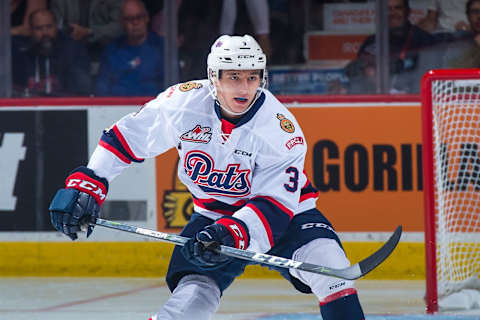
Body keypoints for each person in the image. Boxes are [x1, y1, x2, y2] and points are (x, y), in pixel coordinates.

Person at [48, 34, 365, 320]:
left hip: (289, 216)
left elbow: (274, 204)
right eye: (234, 77)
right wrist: (89, 183)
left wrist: (235, 232)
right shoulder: (182, 103)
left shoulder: (280, 129)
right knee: (192, 298)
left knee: (333, 270)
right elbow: (126, 138)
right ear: (214, 77)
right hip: (213, 216)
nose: (244, 88)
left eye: (252, 77)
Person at [344, 0, 435, 94]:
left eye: (398, 8)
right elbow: (357, 75)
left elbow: (430, 79)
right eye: (388, 9)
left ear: (408, 11)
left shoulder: (425, 40)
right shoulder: (372, 41)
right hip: (377, 100)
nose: (393, 13)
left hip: (413, 100)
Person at [11, 8, 91, 97]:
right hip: (28, 108)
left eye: (49, 27)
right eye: (39, 28)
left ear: (56, 27)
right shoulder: (20, 53)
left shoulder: (74, 51)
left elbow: (81, 92)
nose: (45, 33)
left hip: (64, 108)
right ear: (30, 31)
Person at [95, 0, 164, 96]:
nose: (135, 22)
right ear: (122, 22)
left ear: (147, 18)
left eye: (139, 17)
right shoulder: (112, 51)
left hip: (154, 107)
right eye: (129, 19)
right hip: (117, 108)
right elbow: (102, 89)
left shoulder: (162, 48)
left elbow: (171, 88)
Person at [50, 0, 123, 62]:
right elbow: (55, 25)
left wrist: (90, 32)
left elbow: (120, 26)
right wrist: (70, 31)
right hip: (69, 57)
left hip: (107, 55)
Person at [442, 0, 480, 68]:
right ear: (468, 16)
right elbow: (450, 71)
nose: (479, 16)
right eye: (475, 12)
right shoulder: (458, 42)